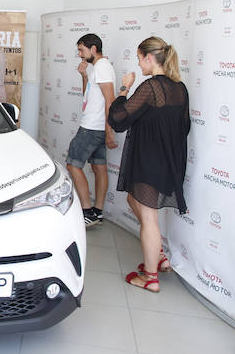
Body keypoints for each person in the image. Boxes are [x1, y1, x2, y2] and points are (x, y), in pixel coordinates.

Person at [108, 37, 190, 293]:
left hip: (149, 159)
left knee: (148, 215)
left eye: (139, 57)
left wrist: (123, 89)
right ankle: (160, 256)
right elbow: (184, 126)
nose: (138, 63)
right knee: (135, 201)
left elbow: (119, 118)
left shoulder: (151, 86)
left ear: (148, 58)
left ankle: (151, 277)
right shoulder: (180, 88)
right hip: (169, 160)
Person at [66, 33, 117, 227]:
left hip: (92, 127)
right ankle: (97, 211)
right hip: (96, 126)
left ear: (93, 49)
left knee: (73, 164)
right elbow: (88, 95)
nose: (79, 54)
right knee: (99, 167)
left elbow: (110, 100)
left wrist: (109, 130)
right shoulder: (97, 68)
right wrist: (84, 76)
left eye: (82, 50)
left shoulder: (103, 67)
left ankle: (87, 211)